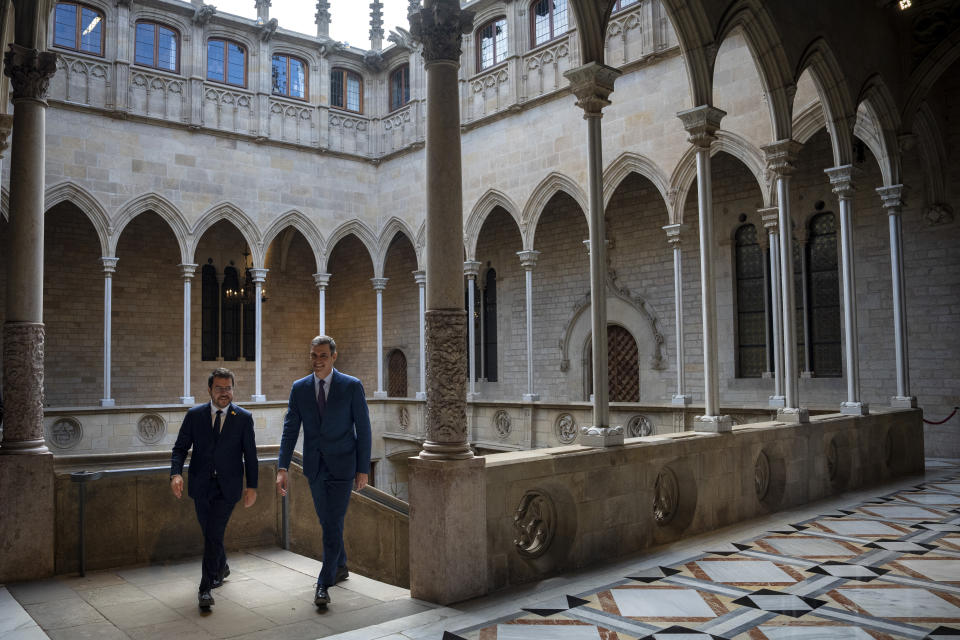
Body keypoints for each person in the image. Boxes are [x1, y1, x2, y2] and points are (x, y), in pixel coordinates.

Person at [277, 335, 372, 607]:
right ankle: (340, 564)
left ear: (334, 356)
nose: (317, 361)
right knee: (327, 521)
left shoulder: (352, 386)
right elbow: (290, 429)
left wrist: (362, 469)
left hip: (343, 466)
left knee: (332, 522)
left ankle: (323, 583)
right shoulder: (300, 388)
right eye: (313, 356)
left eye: (323, 356)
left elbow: (363, 429)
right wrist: (282, 467)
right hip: (315, 468)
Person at [170, 368, 258, 609]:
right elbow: (179, 449)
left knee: (213, 533)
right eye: (219, 388)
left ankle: (205, 588)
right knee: (210, 533)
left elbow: (250, 456)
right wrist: (176, 473)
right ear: (209, 390)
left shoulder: (243, 418)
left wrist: (252, 486)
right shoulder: (195, 415)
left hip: (228, 488)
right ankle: (222, 566)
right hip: (201, 485)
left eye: (228, 388)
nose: (224, 393)